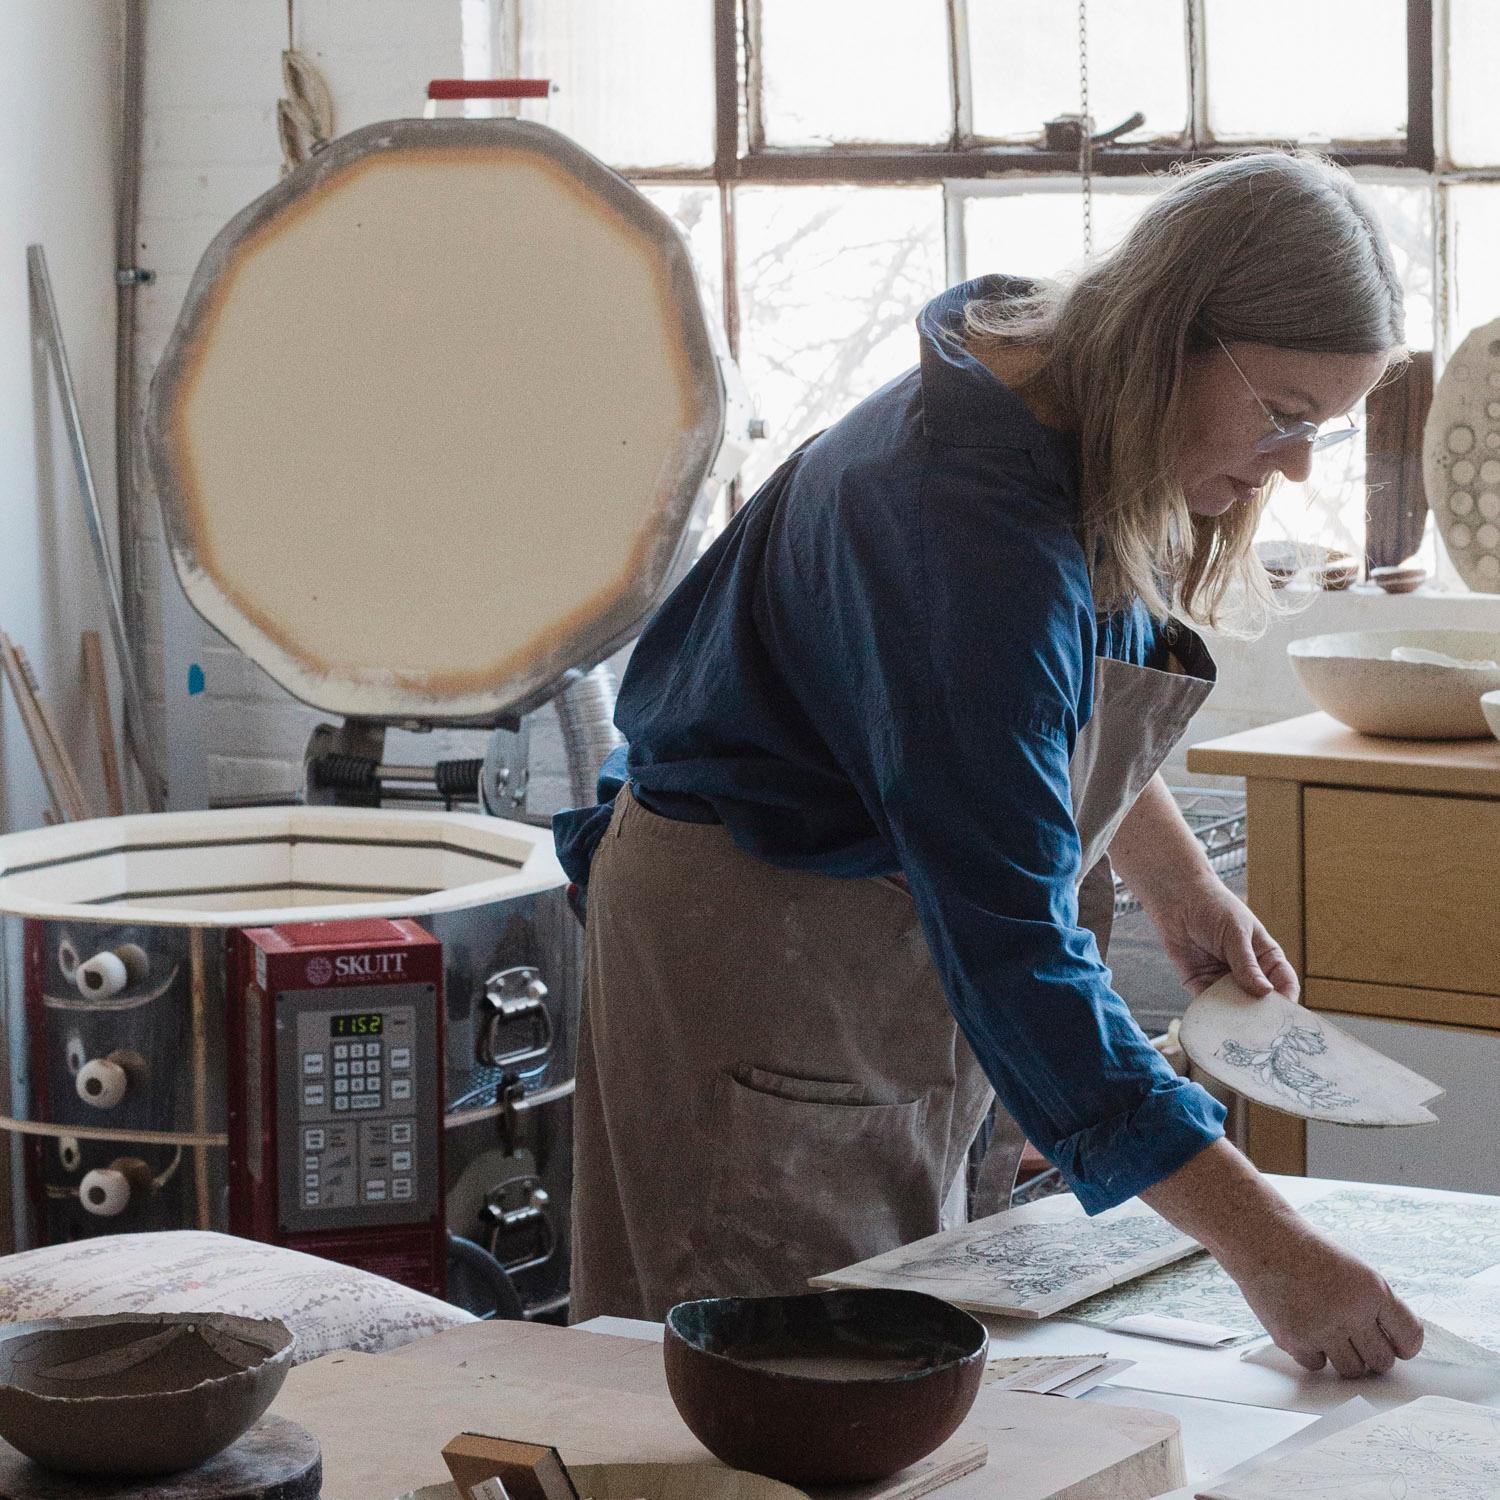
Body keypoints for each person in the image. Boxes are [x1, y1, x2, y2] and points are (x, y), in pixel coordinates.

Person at [554, 151, 1425, 1379]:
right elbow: (1015, 943)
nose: (1295, 467)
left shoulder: (1064, 405)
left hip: (887, 923)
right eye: (1283, 415)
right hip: (767, 945)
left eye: (1323, 429)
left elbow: (1044, 704)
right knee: (787, 1385)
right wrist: (1271, 1249)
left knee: (911, 1344)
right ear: (1171, 333)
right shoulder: (961, 531)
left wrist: (1177, 883)